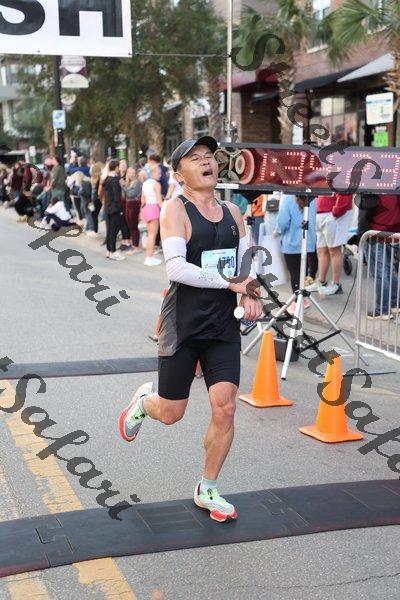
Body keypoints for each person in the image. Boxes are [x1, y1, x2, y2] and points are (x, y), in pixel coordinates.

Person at [118, 136, 262, 523]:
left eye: (209, 156)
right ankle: (144, 403)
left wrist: (250, 290)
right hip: (183, 325)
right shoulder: (174, 209)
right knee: (171, 413)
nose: (205, 162)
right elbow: (177, 268)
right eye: (195, 158)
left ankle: (207, 487)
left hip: (222, 326)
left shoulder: (233, 211)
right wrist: (230, 283)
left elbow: (246, 263)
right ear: (180, 175)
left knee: (226, 407)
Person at [358, 193, 400, 320]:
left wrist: (361, 234)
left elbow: (366, 213)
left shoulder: (374, 187)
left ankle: (383, 310)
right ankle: (394, 303)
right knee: (389, 271)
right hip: (392, 233)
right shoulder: (395, 186)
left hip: (375, 235)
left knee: (381, 274)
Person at [276, 194, 317, 314]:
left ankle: (298, 302)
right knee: (302, 272)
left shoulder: (287, 198)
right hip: (308, 241)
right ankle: (302, 299)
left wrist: (278, 231)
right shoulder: (312, 197)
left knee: (294, 273)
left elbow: (282, 222)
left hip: (292, 242)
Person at [306, 192, 353, 296]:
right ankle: (321, 281)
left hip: (332, 214)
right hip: (323, 212)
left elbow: (345, 192)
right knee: (322, 250)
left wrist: (336, 212)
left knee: (334, 250)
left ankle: (336, 284)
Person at [141, 164, 163, 266]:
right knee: (152, 235)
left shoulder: (145, 183)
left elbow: (143, 200)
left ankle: (149, 256)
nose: (160, 175)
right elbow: (159, 202)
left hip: (147, 208)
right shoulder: (156, 184)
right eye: (159, 173)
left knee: (150, 234)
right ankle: (149, 258)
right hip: (154, 208)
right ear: (153, 172)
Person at [103, 159, 125, 261]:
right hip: (114, 209)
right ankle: (113, 251)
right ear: (116, 168)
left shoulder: (107, 179)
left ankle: (109, 251)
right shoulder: (115, 181)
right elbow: (117, 197)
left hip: (107, 207)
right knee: (113, 231)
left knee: (109, 230)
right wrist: (120, 209)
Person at [121, 167, 142, 254]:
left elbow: (131, 194)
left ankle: (135, 247)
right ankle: (134, 245)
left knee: (134, 226)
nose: (131, 174)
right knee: (130, 227)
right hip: (128, 205)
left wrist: (123, 186)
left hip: (134, 205)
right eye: (130, 173)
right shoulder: (128, 183)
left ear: (135, 174)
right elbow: (125, 196)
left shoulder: (137, 182)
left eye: (133, 173)